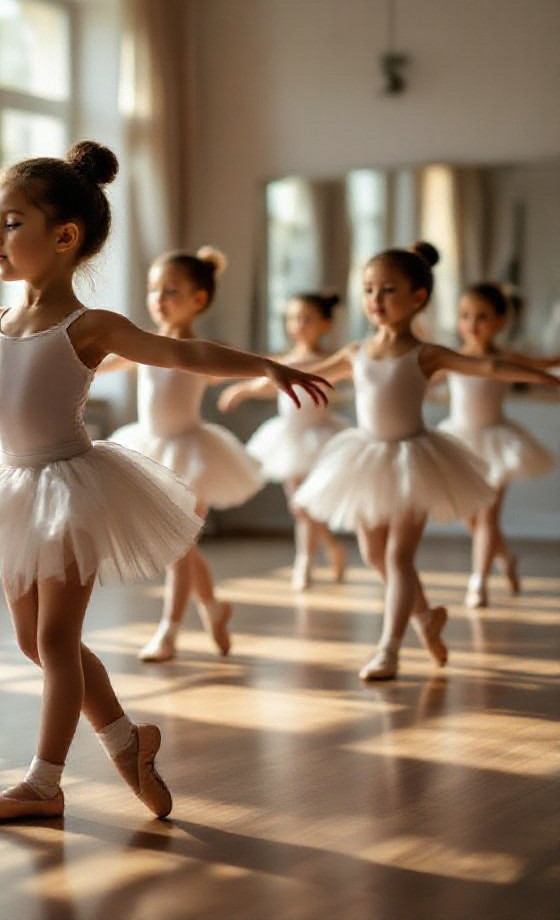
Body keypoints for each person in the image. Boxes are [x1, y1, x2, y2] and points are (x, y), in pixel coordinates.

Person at [0, 141, 329, 822]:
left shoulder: (89, 326)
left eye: (12, 223)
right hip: (9, 489)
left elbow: (180, 351)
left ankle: (44, 783)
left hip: (70, 490)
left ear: (65, 236)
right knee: (35, 641)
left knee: (52, 641)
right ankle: (129, 741)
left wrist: (266, 366)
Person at [294, 243, 558, 680]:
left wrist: (548, 376)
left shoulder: (427, 353)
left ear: (418, 297)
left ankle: (389, 649)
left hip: (413, 461)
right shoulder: (355, 352)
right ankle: (425, 618)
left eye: (388, 290)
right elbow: (306, 371)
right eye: (368, 290)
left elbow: (491, 368)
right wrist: (252, 377)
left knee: (398, 557)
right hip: (365, 459)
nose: (376, 300)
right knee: (373, 553)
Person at [109, 247, 263, 662]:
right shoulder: (141, 345)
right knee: (180, 547)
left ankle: (168, 632)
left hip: (193, 456)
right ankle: (213, 608)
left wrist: (252, 384)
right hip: (147, 448)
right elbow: (100, 362)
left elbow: (244, 366)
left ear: (198, 299)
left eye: (171, 290)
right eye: (154, 289)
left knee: (177, 547)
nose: (159, 297)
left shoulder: (200, 349)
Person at [437, 282, 558, 607]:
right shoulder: (448, 357)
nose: (472, 325)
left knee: (488, 517)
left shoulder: (506, 358)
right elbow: (416, 375)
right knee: (469, 517)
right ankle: (506, 560)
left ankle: (478, 582)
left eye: (482, 316)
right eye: (465, 316)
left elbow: (545, 364)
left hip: (497, 443)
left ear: (501, 320)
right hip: (458, 440)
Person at [219, 292, 349, 591]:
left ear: (325, 324)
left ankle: (306, 560)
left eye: (307, 319)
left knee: (306, 505)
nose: (298, 324)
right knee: (300, 507)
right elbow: (267, 384)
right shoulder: (283, 360)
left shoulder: (332, 361)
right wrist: (243, 391)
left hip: (321, 438)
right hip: (289, 439)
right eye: (293, 318)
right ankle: (328, 549)